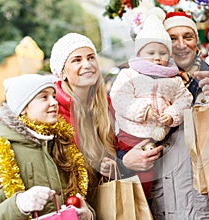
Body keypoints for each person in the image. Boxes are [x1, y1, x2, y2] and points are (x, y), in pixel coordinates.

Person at [121, 11, 209, 220]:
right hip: (166, 204)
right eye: (172, 38)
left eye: (187, 36)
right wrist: (124, 160)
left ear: (196, 44)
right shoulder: (139, 86)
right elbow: (123, 135)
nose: (181, 44)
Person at [49, 33, 163, 181]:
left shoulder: (109, 105)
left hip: (107, 197)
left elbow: (122, 148)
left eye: (91, 57)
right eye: (77, 60)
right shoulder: (53, 112)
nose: (87, 64)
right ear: (62, 72)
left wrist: (122, 163)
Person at [110, 13, 193, 199]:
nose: (157, 58)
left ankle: (148, 204)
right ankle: (140, 206)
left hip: (159, 137)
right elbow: (119, 97)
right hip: (131, 135)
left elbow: (185, 100)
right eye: (151, 53)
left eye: (162, 53)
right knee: (138, 180)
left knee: (160, 177)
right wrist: (142, 110)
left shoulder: (173, 79)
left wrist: (172, 114)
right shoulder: (129, 75)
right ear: (139, 53)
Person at [0, 74, 94, 219]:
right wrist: (20, 205)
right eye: (44, 97)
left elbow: (81, 197)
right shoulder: (3, 150)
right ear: (22, 108)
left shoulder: (62, 143)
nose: (54, 102)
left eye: (53, 96)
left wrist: (88, 214)